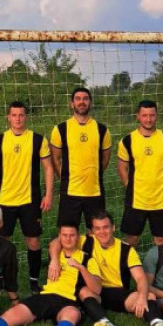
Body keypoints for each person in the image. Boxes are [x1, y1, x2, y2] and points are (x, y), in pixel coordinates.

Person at [51, 211, 163, 326]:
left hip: (118, 293)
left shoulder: (127, 250)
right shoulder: (86, 241)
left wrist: (142, 297)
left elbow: (140, 278)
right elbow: (56, 241)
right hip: (94, 290)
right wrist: (54, 260)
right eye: (97, 228)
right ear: (93, 231)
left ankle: (158, 325)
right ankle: (105, 324)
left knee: (148, 295)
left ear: (113, 227)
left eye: (105, 227)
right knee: (84, 290)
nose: (102, 232)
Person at [0, 100, 53, 293]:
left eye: (21, 115)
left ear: (26, 117)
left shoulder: (38, 140)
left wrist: (48, 194)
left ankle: (33, 281)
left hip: (30, 200)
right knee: (1, 240)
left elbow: (48, 168)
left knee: (33, 241)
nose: (18, 118)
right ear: (8, 117)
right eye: (14, 115)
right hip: (5, 201)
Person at [49, 86, 112, 233]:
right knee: (67, 235)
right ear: (72, 104)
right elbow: (55, 159)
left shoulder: (102, 130)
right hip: (70, 192)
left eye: (85, 99)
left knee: (96, 234)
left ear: (90, 103)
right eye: (78, 99)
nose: (81, 102)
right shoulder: (61, 129)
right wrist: (65, 177)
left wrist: (93, 173)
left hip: (95, 192)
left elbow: (105, 159)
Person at [117, 99, 163, 248]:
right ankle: (126, 264)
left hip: (160, 200)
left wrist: (159, 183)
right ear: (138, 116)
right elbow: (122, 168)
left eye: (152, 115)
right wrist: (131, 187)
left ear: (156, 116)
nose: (148, 119)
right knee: (132, 239)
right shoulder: (127, 140)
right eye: (145, 115)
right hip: (136, 200)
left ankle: (160, 264)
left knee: (161, 241)